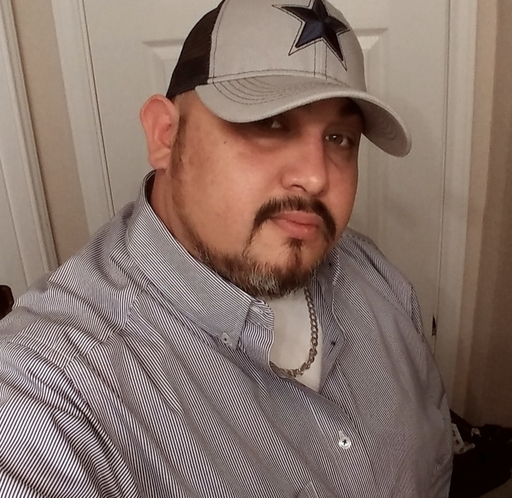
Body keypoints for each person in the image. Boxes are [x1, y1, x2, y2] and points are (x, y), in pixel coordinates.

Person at [0, 0, 453, 496]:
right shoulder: (49, 388)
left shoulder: (374, 277)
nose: (316, 176)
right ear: (165, 135)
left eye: (340, 138)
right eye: (271, 123)